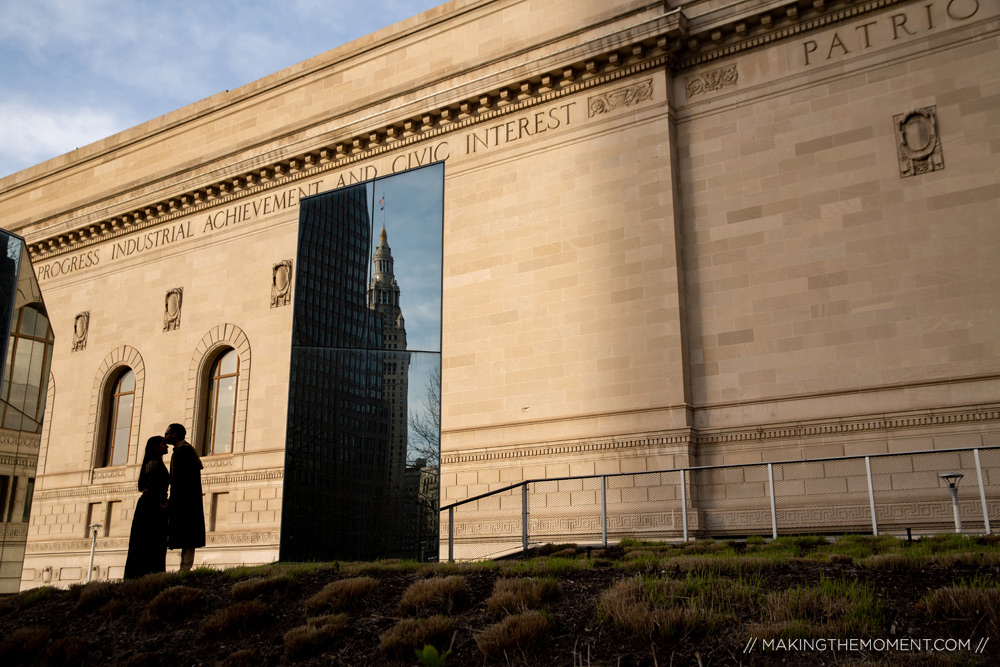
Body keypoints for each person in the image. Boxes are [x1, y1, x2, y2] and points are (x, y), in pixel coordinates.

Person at [123, 436, 169, 579]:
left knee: (150, 542)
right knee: (151, 542)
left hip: (150, 506)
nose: (166, 446)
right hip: (151, 508)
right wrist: (162, 502)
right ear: (155, 447)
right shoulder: (154, 465)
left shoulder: (154, 463)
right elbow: (153, 486)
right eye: (163, 444)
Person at [164, 423, 205, 571]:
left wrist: (174, 500)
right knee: (186, 535)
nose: (165, 437)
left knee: (188, 535)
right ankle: (184, 566)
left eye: (167, 434)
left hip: (185, 501)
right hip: (186, 500)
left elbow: (180, 480)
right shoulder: (183, 451)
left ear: (174, 434)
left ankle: (185, 567)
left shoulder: (183, 451)